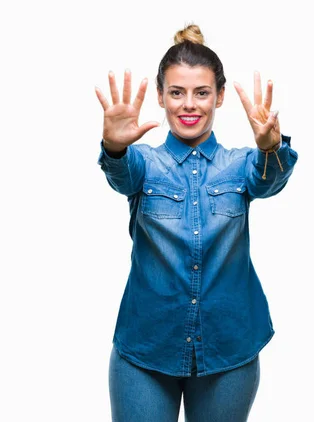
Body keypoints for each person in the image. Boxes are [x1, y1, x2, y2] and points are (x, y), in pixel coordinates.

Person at [95, 23, 298, 422]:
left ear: (220, 97)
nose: (189, 104)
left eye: (201, 92)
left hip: (229, 350)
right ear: (160, 96)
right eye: (177, 92)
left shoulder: (241, 165)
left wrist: (271, 147)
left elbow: (268, 179)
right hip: (145, 351)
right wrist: (115, 146)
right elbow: (121, 173)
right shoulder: (145, 164)